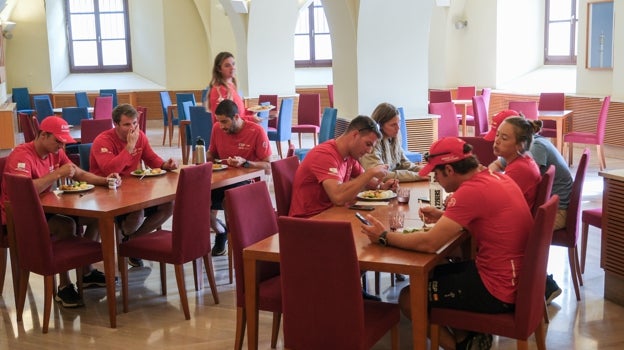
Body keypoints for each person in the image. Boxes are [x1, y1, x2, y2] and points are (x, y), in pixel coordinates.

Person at [360, 137, 534, 350]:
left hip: (498, 289)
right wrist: (445, 215)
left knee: (408, 298)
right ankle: (468, 337)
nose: (436, 179)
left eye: (436, 174)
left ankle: (461, 346)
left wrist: (384, 236)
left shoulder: (469, 191)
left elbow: (429, 244)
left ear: (450, 170)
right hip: (519, 279)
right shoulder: (495, 177)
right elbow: (487, 220)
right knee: (437, 269)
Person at [1, 116, 121, 308]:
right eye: (57, 141)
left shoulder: (55, 152)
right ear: (42, 135)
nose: (61, 145)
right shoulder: (21, 155)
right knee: (66, 225)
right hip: (17, 216)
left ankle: (86, 271)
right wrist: (57, 174)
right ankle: (64, 286)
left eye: (63, 141)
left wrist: (105, 180)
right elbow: (24, 191)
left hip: (45, 209)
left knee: (96, 217)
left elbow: (77, 173)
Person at [90, 104, 178, 267]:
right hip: (106, 193)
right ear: (115, 124)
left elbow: (152, 159)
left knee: (169, 205)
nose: (133, 128)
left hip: (133, 189)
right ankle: (129, 244)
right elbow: (110, 169)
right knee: (137, 212)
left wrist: (166, 164)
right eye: (127, 124)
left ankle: (131, 242)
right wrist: (129, 147)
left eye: (135, 123)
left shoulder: (141, 136)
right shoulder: (103, 141)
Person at [289, 115, 398, 218]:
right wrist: (370, 173)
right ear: (355, 135)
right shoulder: (325, 155)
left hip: (331, 214)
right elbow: (338, 197)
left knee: (376, 224)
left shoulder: (350, 156)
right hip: (308, 222)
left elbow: (370, 182)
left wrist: (383, 187)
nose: (369, 151)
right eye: (368, 144)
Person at [206, 99, 272, 256]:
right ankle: (221, 230)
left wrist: (246, 163)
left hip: (248, 181)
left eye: (224, 122)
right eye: (219, 122)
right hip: (221, 179)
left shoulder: (256, 131)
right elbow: (212, 153)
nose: (221, 126)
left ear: (236, 117)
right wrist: (206, 156)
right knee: (195, 201)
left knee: (229, 199)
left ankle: (240, 244)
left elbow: (268, 166)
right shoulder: (217, 129)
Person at [485, 111, 541, 209]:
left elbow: (495, 201)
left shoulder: (519, 169)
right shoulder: (522, 160)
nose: (497, 141)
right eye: (497, 135)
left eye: (504, 138)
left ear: (520, 145)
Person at [360, 102, 427, 182]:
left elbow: (404, 163)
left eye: (398, 123)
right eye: (393, 125)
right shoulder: (371, 143)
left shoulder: (392, 138)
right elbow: (380, 175)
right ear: (380, 126)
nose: (398, 128)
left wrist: (424, 170)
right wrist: (417, 176)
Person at [208, 51, 261, 123]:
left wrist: (251, 112)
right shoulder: (219, 90)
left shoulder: (231, 86)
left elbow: (238, 111)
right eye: (227, 65)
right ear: (219, 69)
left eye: (233, 64)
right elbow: (224, 120)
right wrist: (250, 119)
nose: (232, 68)